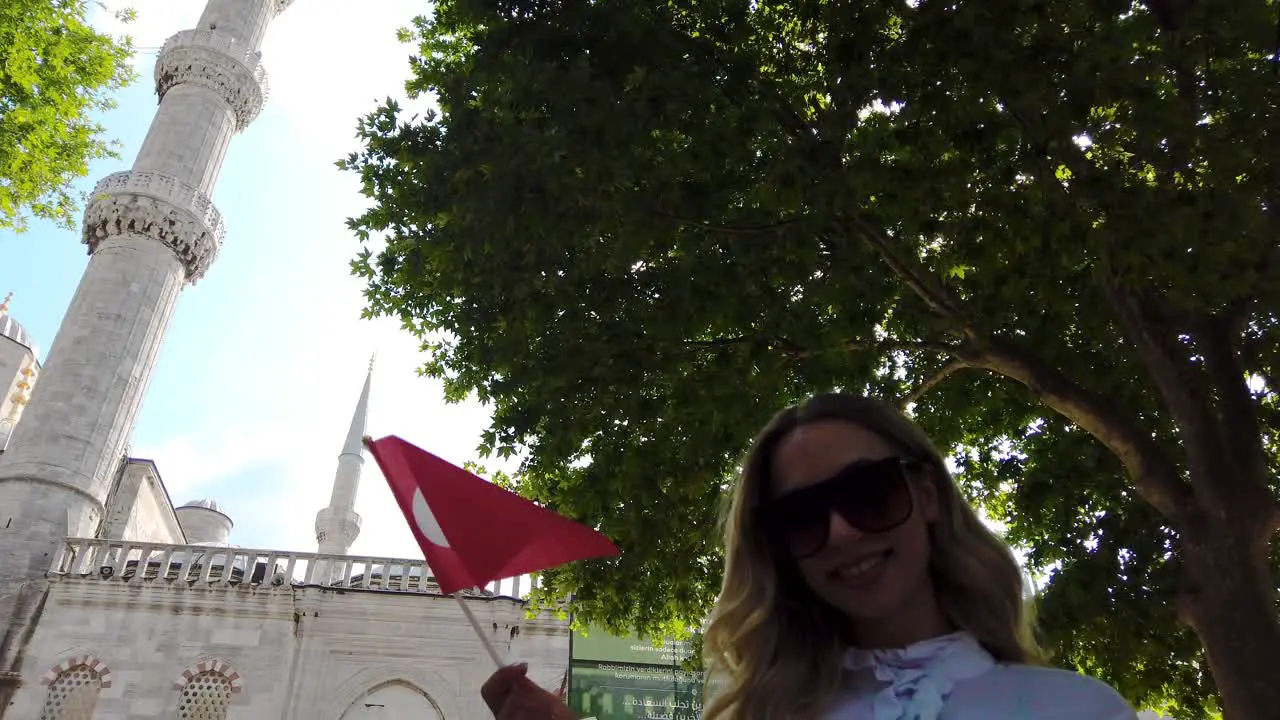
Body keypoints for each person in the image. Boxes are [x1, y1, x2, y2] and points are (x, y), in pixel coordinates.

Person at [482, 393, 1140, 719]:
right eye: (800, 518)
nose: (843, 532)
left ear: (928, 493)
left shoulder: (1076, 709)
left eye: (867, 493)